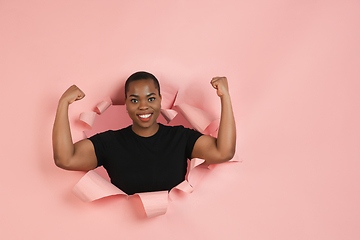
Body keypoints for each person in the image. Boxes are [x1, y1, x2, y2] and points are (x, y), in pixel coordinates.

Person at [53, 71, 236, 195]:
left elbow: (224, 152)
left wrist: (225, 97)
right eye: (134, 100)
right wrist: (63, 104)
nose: (143, 106)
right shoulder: (109, 143)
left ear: (159, 100)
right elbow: (66, 159)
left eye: (150, 98)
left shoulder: (180, 138)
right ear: (126, 103)